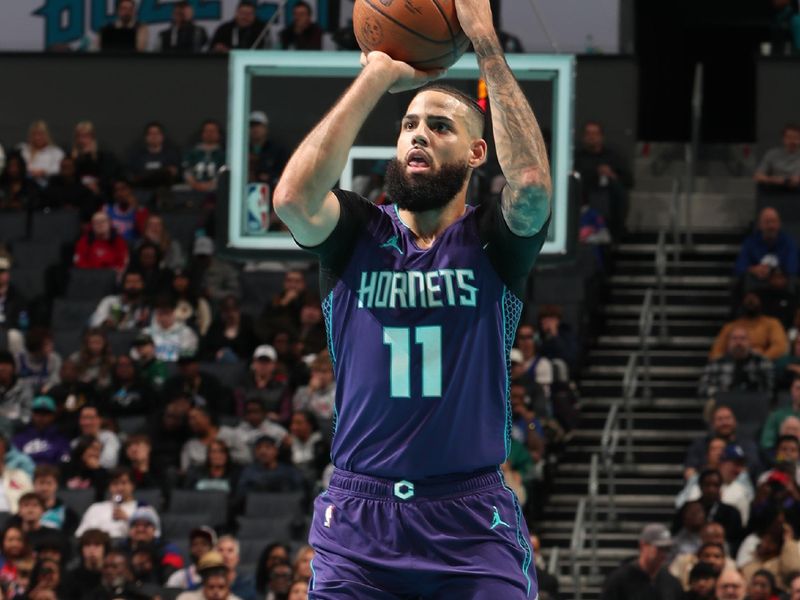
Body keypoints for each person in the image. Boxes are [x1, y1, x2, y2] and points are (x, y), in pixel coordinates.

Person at [273, 0, 551, 594]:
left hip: (469, 518)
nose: (418, 134)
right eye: (408, 125)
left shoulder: (491, 242)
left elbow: (529, 187)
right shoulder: (356, 232)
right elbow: (292, 198)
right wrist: (377, 72)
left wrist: (483, 42)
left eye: (440, 126)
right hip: (360, 516)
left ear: (477, 154)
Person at [573, 120, 633, 238]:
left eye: (595, 133)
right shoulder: (577, 158)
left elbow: (629, 181)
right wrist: (595, 173)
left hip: (611, 204)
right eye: (588, 133)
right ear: (584, 137)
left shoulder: (613, 157)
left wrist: (611, 175)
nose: (592, 137)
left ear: (601, 136)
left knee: (616, 189)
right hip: (585, 203)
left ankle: (616, 232)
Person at [600, 523, 683, 599]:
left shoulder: (671, 582)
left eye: (667, 549)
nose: (663, 554)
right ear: (643, 545)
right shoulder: (619, 581)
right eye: (659, 548)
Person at [684, 404, 763, 479]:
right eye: (720, 419)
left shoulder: (747, 444)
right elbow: (689, 472)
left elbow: (752, 467)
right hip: (705, 486)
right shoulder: (700, 444)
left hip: (738, 486)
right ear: (712, 424)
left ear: (735, 421)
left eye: (728, 418)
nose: (725, 423)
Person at [697, 325, 775, 400]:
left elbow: (771, 390)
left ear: (749, 342)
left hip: (753, 403)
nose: (738, 342)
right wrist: (721, 393)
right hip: (723, 404)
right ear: (728, 342)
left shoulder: (762, 363)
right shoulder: (716, 364)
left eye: (742, 338)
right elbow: (703, 389)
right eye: (734, 338)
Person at [710, 293, 789, 361]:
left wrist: (761, 359)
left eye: (754, 300)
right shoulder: (731, 326)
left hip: (763, 363)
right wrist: (725, 362)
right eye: (748, 300)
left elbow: (780, 347)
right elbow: (716, 352)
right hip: (734, 363)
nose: (751, 302)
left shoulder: (772, 323)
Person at [74, 467, 141, 540]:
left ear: (133, 485)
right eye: (115, 483)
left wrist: (128, 520)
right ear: (109, 487)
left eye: (124, 483)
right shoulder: (96, 508)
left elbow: (152, 536)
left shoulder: (142, 509)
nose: (119, 488)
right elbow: (80, 535)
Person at [235, 434, 304, 497]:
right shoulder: (248, 472)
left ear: (276, 450)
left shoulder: (289, 471)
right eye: (259, 448)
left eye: (268, 447)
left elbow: (300, 493)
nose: (263, 451)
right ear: (255, 452)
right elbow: (241, 494)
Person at [12, 396, 69, 466]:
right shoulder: (20, 438)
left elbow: (64, 461)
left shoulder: (61, 440)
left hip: (51, 474)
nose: (41, 417)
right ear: (32, 414)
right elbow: (13, 461)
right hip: (24, 475)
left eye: (46, 413)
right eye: (37, 412)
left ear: (53, 416)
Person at [144, 295, 199, 362]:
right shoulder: (146, 332)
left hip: (177, 367)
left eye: (167, 313)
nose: (163, 317)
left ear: (174, 313)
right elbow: (134, 354)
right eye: (160, 313)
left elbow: (190, 353)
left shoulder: (186, 332)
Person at [188, 237, 241, 306]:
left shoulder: (225, 269)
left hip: (220, 309)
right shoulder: (191, 271)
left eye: (204, 256)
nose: (202, 259)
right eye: (199, 256)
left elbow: (236, 293)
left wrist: (214, 294)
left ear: (211, 254)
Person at [62, 528, 110, 599]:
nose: (92, 550)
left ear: (105, 548)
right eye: (87, 545)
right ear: (81, 549)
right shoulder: (72, 577)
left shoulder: (111, 574)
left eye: (97, 545)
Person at [166, 526, 217, 590]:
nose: (199, 548)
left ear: (212, 548)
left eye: (204, 544)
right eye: (195, 544)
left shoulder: (222, 578)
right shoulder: (179, 577)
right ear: (190, 549)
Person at [17, 120, 64, 188]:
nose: (37, 138)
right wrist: (29, 171)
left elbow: (59, 169)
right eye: (34, 134)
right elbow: (17, 166)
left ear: (46, 135)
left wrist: (44, 172)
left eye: (40, 134)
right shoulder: (23, 150)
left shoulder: (56, 152)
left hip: (49, 185)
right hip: (26, 185)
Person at [184, 119, 226, 196]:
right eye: (207, 131)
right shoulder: (192, 152)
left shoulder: (224, 154)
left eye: (213, 131)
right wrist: (194, 184)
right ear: (202, 133)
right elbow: (187, 170)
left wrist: (211, 185)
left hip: (216, 193)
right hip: (193, 190)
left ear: (219, 134)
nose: (209, 134)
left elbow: (223, 174)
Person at [33, 464, 79, 533]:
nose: (45, 488)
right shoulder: (24, 510)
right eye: (41, 483)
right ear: (34, 484)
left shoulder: (68, 514)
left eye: (49, 483)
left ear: (56, 485)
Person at [754, 123, 800, 191]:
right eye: (789, 137)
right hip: (776, 192)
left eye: (796, 138)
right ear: (783, 139)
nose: (792, 141)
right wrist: (772, 179)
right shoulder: (772, 154)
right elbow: (758, 176)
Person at [248, 110, 288, 189]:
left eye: (258, 125)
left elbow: (284, 174)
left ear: (265, 128)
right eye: (252, 126)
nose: (255, 129)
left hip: (271, 194)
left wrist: (269, 176)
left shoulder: (278, 150)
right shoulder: (242, 150)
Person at [762, 376, 800, 450]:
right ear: (791, 390)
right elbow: (767, 443)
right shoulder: (776, 416)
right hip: (781, 457)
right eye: (798, 388)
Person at [216, 536, 257, 600]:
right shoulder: (204, 585)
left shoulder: (249, 584)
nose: (225, 555)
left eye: (230, 550)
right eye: (221, 550)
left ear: (237, 558)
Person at [0, 350, 34, 425]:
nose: (2, 368)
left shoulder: (24, 387)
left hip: (18, 428)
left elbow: (28, 413)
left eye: (6, 364)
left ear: (13, 367)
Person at [0, 254, 28, 330]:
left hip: (10, 331)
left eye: (2, 271)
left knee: (14, 336)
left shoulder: (17, 296)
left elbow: (23, 322)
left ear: (8, 274)